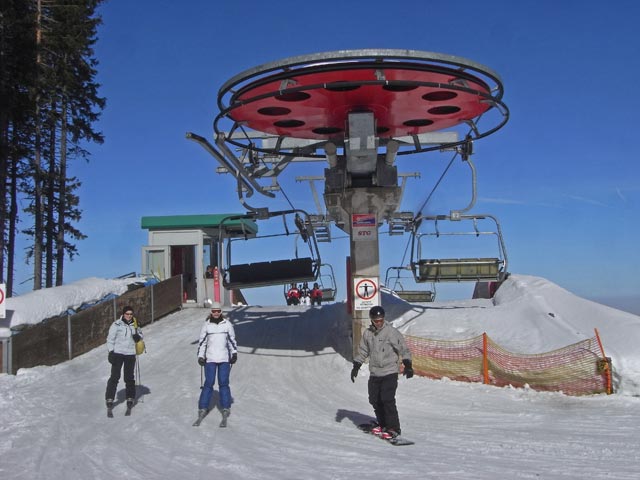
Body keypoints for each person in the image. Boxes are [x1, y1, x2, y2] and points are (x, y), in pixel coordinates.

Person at [350, 305, 414, 439]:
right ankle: (383, 424)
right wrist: (356, 366)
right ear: (372, 320)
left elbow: (403, 348)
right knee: (374, 399)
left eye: (381, 320)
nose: (379, 323)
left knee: (387, 399)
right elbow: (363, 351)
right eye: (376, 320)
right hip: (375, 372)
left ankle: (394, 428)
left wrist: (407, 364)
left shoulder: (391, 332)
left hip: (389, 371)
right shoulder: (368, 334)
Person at [196, 301, 238, 424]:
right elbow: (202, 342)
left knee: (223, 383)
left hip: (224, 358)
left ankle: (225, 406)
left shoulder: (227, 325)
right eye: (214, 311)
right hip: (210, 359)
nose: (216, 313)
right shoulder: (207, 325)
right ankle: (203, 407)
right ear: (211, 312)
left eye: (218, 311)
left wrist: (234, 353)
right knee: (209, 383)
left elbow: (232, 341)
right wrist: (200, 356)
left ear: (221, 312)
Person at [105, 305, 143, 413]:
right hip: (118, 354)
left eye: (131, 314)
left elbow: (141, 335)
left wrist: (138, 337)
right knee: (114, 377)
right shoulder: (116, 324)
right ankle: (110, 398)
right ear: (123, 314)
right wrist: (111, 351)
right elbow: (110, 339)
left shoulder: (135, 325)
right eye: (127, 314)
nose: (129, 316)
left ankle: (130, 397)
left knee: (129, 377)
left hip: (130, 354)